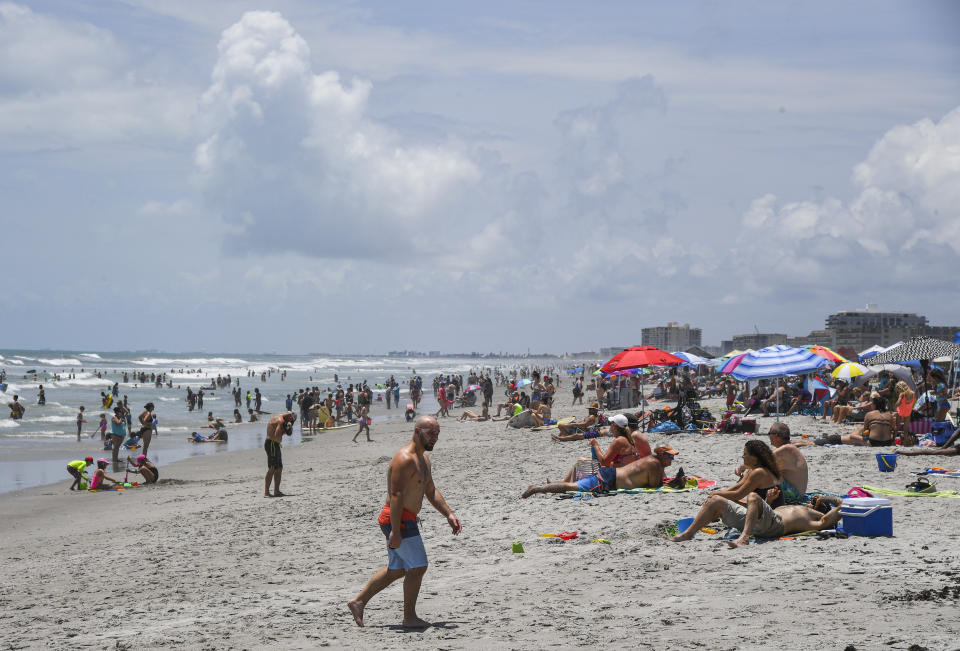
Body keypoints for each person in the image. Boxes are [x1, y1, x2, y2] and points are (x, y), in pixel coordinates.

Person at [348, 416, 461, 628]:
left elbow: (430, 490)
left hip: (403, 519)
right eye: (431, 434)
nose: (435, 438)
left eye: (437, 434)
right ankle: (409, 617)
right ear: (417, 431)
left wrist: (448, 514)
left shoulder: (424, 459)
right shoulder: (404, 459)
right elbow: (397, 495)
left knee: (398, 569)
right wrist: (396, 531)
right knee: (418, 567)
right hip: (397, 519)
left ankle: (359, 601)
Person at [669, 440, 783, 542]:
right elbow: (736, 487)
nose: (742, 457)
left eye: (745, 454)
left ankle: (687, 534)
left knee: (717, 502)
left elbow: (738, 494)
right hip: (760, 514)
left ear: (755, 457)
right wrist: (715, 495)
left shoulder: (759, 473)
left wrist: (715, 495)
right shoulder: (755, 470)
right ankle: (698, 524)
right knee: (717, 500)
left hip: (765, 520)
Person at [521, 445, 677, 497]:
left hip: (610, 475)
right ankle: (538, 489)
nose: (672, 460)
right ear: (662, 455)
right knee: (571, 488)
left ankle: (547, 486)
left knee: (573, 485)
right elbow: (654, 486)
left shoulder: (653, 461)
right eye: (670, 456)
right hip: (608, 481)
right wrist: (675, 483)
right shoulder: (655, 465)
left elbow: (654, 483)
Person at [736, 423, 808, 501]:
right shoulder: (788, 448)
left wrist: (743, 467)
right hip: (793, 491)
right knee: (759, 470)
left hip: (793, 494)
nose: (768, 436)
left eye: (769, 433)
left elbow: (761, 459)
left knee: (759, 472)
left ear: (776, 435)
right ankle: (737, 491)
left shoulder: (787, 449)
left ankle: (737, 492)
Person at [264, 412, 296, 498]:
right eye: (291, 422)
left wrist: (286, 430)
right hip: (272, 444)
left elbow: (281, 433)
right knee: (272, 468)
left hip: (275, 444)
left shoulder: (280, 418)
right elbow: (277, 436)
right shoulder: (280, 421)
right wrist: (284, 432)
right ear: (289, 418)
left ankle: (276, 491)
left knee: (279, 468)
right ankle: (266, 492)